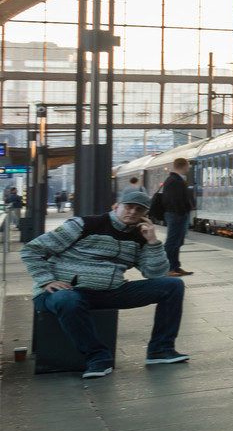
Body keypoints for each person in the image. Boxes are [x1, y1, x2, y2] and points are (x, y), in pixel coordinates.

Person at [20, 189, 189, 379]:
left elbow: (155, 274)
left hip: (110, 292)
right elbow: (31, 250)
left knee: (172, 286)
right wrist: (46, 280)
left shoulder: (139, 236)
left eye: (139, 210)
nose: (133, 212)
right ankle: (97, 357)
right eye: (128, 207)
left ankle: (160, 350)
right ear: (116, 207)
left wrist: (152, 242)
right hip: (64, 292)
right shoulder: (84, 225)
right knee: (67, 299)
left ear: (145, 215)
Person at [162, 158, 194, 277]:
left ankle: (175, 266)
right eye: (187, 167)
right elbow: (175, 200)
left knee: (177, 242)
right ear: (184, 166)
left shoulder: (173, 180)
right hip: (176, 215)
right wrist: (182, 212)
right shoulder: (174, 181)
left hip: (176, 214)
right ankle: (168, 268)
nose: (187, 169)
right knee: (172, 242)